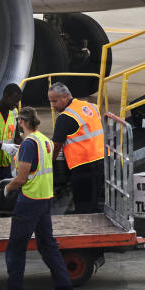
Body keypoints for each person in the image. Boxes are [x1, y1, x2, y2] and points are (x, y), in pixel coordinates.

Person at [0, 107, 73, 290]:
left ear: (21, 121)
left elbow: (21, 177)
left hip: (29, 200)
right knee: (48, 245)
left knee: (15, 248)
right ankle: (64, 288)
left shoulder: (28, 144)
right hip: (45, 198)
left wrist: (7, 189)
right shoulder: (44, 140)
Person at [47, 82, 105, 214]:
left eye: (55, 101)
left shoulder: (64, 118)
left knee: (84, 207)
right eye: (51, 101)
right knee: (96, 204)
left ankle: (86, 232)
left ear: (66, 97)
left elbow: (56, 145)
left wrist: (50, 162)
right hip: (101, 161)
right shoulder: (90, 106)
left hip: (82, 167)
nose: (53, 105)